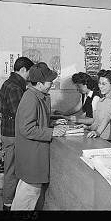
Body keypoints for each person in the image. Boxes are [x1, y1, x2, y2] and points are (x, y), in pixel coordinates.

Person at [11, 62, 66, 210]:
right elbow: (27, 128)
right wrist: (51, 132)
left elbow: (37, 119)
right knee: (28, 195)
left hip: (34, 154)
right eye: (50, 82)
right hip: (32, 156)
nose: (51, 85)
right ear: (40, 83)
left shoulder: (38, 95)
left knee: (28, 193)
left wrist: (51, 122)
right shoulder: (30, 98)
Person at [0, 57, 34, 211]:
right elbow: (21, 113)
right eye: (30, 72)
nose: (30, 77)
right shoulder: (14, 87)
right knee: (12, 170)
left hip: (8, 132)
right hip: (13, 134)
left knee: (11, 168)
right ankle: (8, 204)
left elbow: (0, 107)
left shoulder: (8, 83)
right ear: (24, 69)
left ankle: (10, 201)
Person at [84, 69, 111, 147]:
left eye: (104, 84)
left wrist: (98, 132)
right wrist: (88, 128)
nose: (100, 86)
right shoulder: (101, 100)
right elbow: (97, 122)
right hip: (100, 138)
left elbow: (108, 115)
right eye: (99, 83)